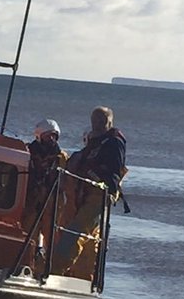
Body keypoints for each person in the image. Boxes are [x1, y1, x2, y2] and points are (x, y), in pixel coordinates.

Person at [56, 106, 127, 278]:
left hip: (98, 196)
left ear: (109, 122)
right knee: (80, 236)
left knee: (75, 232)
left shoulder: (113, 143)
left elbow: (113, 174)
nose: (97, 124)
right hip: (80, 194)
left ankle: (54, 269)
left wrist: (105, 186)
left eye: (101, 121)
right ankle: (81, 276)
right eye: (95, 121)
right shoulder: (92, 144)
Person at [25, 118, 67, 216]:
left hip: (51, 200)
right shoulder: (28, 153)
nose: (51, 139)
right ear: (39, 137)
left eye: (54, 135)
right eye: (48, 136)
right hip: (30, 197)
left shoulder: (61, 157)